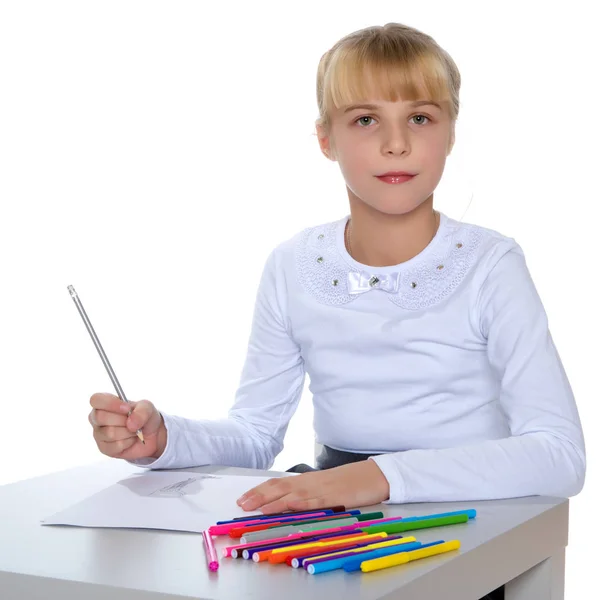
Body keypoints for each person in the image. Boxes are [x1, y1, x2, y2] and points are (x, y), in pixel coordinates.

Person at [88, 22, 585, 599]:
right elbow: (254, 433)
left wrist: (375, 477)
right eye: (365, 119)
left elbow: (558, 453)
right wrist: (165, 441)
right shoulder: (292, 265)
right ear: (325, 138)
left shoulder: (491, 265)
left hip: (465, 519)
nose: (395, 143)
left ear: (450, 132)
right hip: (333, 515)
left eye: (420, 118)